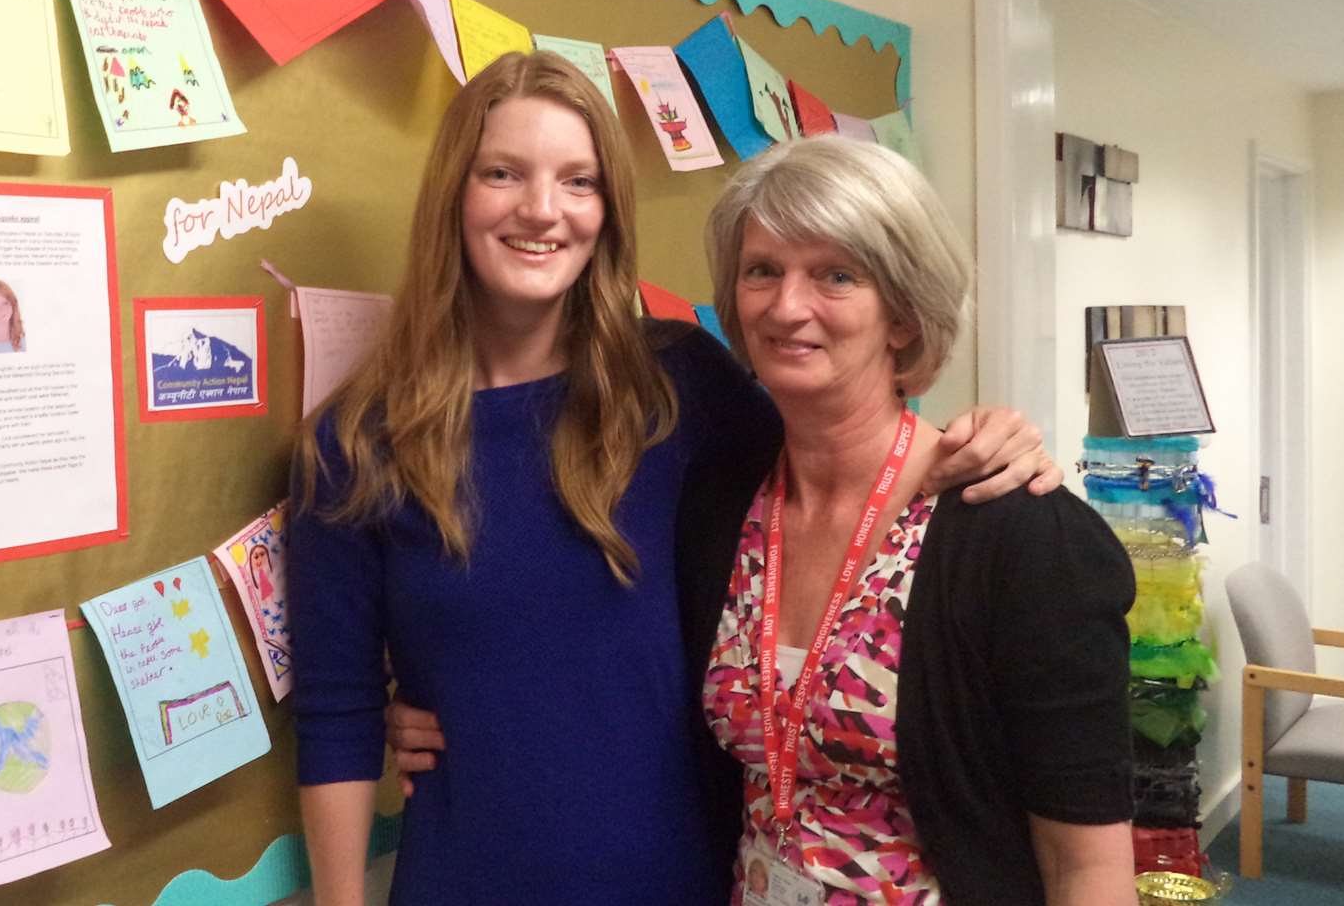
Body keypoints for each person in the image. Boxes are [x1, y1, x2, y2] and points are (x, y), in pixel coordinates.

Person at [288, 52, 1055, 906]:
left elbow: (838, 479)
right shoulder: (356, 442)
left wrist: (990, 441)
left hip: (684, 873)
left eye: (578, 181)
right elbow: (336, 712)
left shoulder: (682, 387)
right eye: (502, 173)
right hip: (467, 876)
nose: (542, 209)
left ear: (608, 211)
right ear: (452, 196)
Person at [698, 137, 1136, 903]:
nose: (786, 304)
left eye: (836, 274)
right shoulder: (723, 502)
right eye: (762, 270)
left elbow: (1087, 866)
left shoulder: (1020, 535)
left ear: (902, 316)